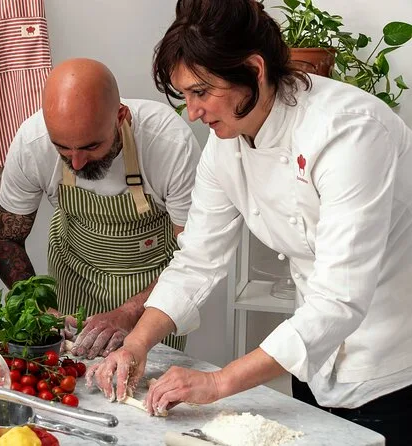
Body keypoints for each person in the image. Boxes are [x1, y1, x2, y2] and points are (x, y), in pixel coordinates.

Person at [87, 1, 412, 444]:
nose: (192, 112)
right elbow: (198, 259)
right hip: (312, 361)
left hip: (392, 368)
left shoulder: (350, 131)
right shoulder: (227, 141)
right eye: (185, 95)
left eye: (201, 92)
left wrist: (218, 383)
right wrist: (137, 344)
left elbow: (340, 298)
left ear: (254, 70)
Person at [0, 58, 201, 359]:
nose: (76, 163)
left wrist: (130, 312)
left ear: (120, 117)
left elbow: (193, 256)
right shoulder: (32, 142)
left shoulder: (168, 143)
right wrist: (40, 308)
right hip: (75, 280)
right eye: (63, 148)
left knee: (146, 383)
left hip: (153, 292)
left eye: (91, 147)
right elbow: (6, 239)